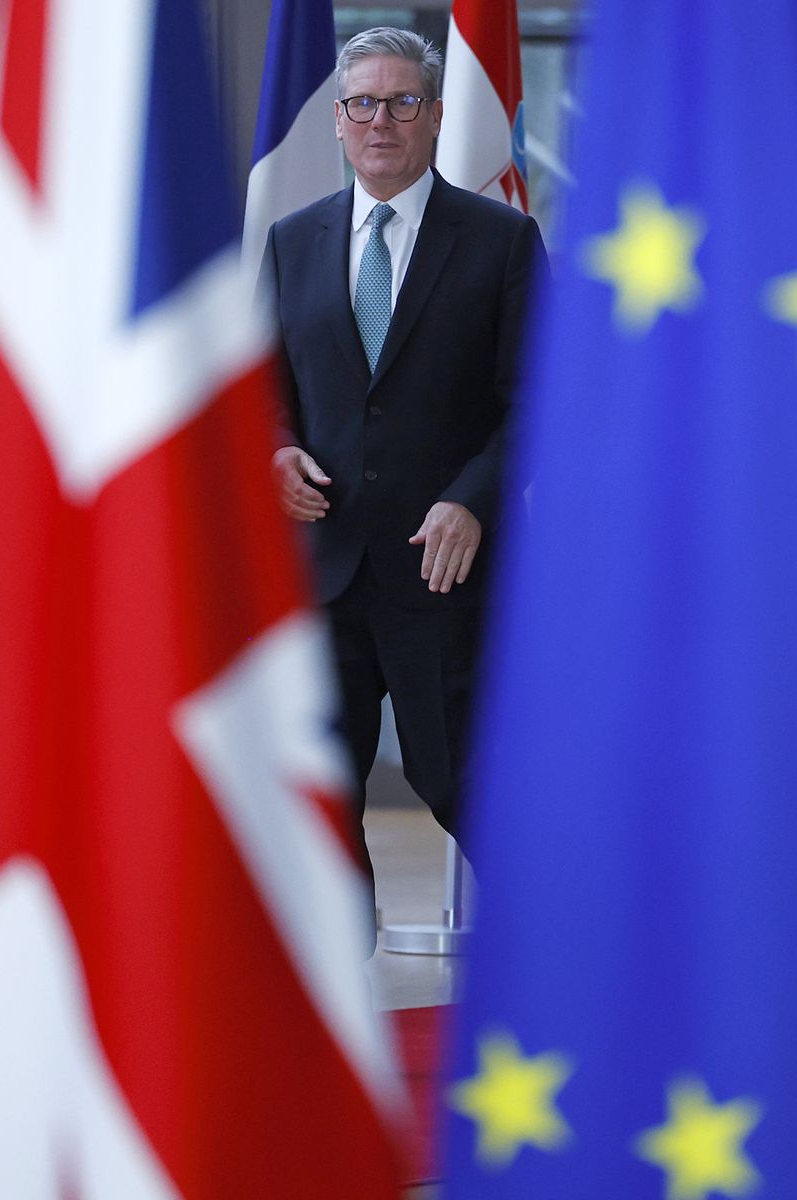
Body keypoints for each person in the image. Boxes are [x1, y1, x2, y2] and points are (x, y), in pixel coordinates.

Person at [264, 26, 547, 943]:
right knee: (321, 810)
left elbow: (539, 403)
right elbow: (264, 394)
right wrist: (273, 453)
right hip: (325, 575)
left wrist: (472, 497)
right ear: (339, 122)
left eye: (401, 102)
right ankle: (345, 1000)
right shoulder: (289, 239)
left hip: (445, 576)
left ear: (432, 118)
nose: (379, 120)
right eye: (362, 103)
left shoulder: (502, 241)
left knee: (472, 790)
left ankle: (568, 972)